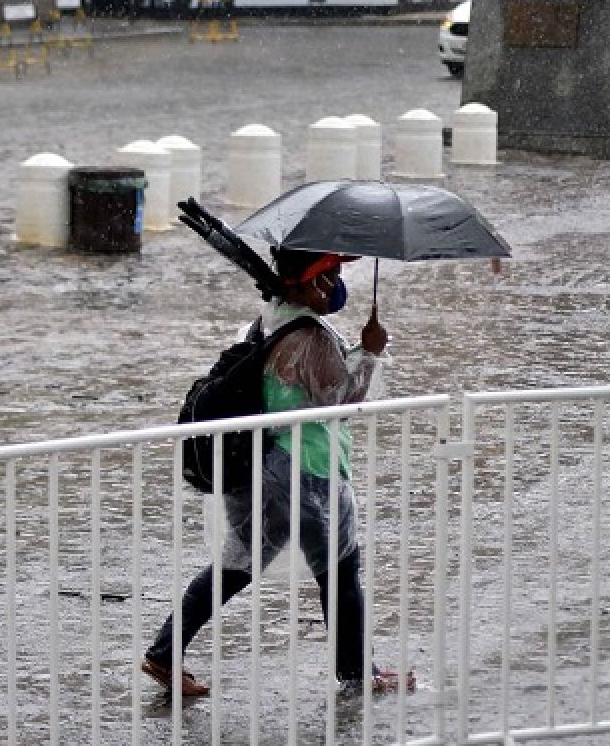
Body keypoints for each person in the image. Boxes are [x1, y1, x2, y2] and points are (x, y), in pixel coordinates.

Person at [141, 247, 415, 696]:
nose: (336, 287)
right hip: (305, 469)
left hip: (264, 467)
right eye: (329, 277)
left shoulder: (271, 320)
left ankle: (164, 652)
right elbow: (344, 402)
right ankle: (359, 674)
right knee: (340, 569)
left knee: (237, 566)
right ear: (306, 282)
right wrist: (370, 351)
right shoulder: (308, 338)